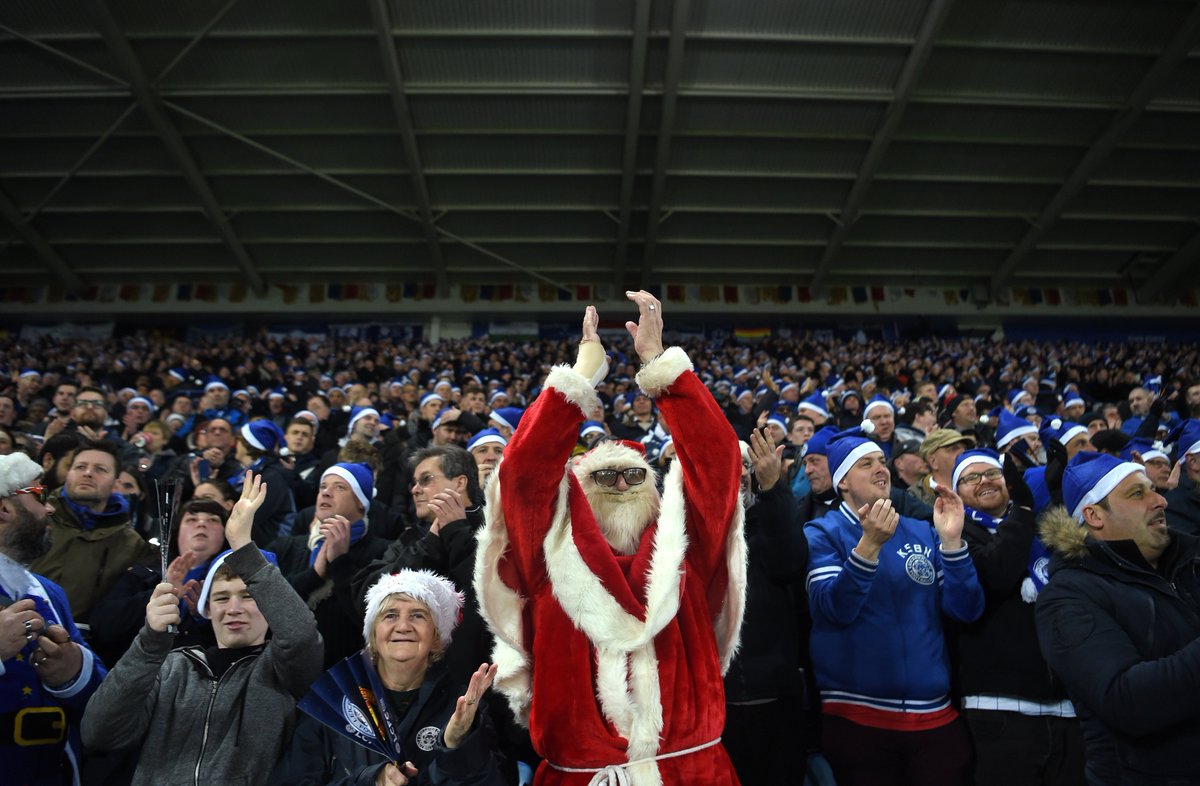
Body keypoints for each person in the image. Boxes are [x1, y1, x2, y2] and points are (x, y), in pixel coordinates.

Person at [474, 292, 746, 784]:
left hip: (691, 772)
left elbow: (716, 460)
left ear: (654, 491)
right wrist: (579, 378)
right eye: (605, 478)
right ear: (581, 493)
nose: (621, 486)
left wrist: (660, 366)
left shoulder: (687, 554)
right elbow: (524, 475)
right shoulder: (546, 560)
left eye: (633, 477)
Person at [80, 471, 324, 786]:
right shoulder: (171, 667)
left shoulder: (283, 672)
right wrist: (151, 642)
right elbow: (99, 732)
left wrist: (243, 547)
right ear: (206, 609)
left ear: (269, 603)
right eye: (222, 597)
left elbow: (301, 634)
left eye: (248, 596)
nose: (234, 608)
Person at [804, 426, 984, 786]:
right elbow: (832, 609)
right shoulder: (822, 532)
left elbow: (966, 610)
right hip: (858, 718)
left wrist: (950, 543)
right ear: (842, 482)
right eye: (865, 464)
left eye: (881, 461)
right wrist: (868, 547)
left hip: (935, 717)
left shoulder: (921, 531)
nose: (880, 469)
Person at [1036, 452, 1200, 785]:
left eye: (1154, 489)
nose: (1160, 501)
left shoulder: (1189, 562)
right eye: (1138, 493)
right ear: (1094, 515)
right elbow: (1128, 702)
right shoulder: (1068, 596)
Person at [270, 570, 508, 786]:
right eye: (390, 615)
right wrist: (369, 781)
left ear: (436, 638)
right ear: (372, 636)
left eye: (418, 615)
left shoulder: (464, 709)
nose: (403, 626)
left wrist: (458, 746)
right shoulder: (331, 704)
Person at [951, 449, 1084, 786]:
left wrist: (1054, 496)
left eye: (993, 473)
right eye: (971, 477)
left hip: (1066, 707)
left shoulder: (1037, 530)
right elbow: (997, 574)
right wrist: (1024, 510)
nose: (984, 480)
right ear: (956, 492)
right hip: (1000, 705)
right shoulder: (956, 534)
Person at [0, 452, 107, 786]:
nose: (49, 508)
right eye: (38, 495)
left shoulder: (48, 592)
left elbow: (102, 698)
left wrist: (74, 672)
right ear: (4, 509)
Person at [30, 440, 157, 622]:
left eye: (100, 469)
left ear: (115, 482)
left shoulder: (131, 544)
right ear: (68, 474)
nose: (88, 473)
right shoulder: (35, 516)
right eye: (80, 467)